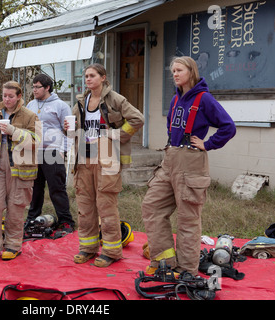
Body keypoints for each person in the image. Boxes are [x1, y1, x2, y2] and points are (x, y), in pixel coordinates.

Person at [141, 56, 236, 276]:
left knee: (187, 219)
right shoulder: (176, 99)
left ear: (191, 72)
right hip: (170, 158)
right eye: (172, 70)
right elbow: (169, 126)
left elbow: (228, 127)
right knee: (152, 206)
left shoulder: (204, 99)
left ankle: (186, 270)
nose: (174, 74)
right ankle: (165, 261)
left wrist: (208, 144)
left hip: (191, 161)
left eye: (179, 70)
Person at [65, 63, 144, 267]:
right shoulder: (82, 101)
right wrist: (69, 127)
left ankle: (111, 251)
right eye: (86, 76)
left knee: (106, 207)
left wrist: (116, 134)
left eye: (92, 75)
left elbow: (137, 118)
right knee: (85, 207)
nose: (88, 79)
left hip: (106, 159)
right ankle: (88, 248)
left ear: (103, 78)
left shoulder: (115, 99)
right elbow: (74, 128)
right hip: (84, 160)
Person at [0, 81, 39, 261]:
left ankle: (13, 245)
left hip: (20, 168)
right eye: (4, 96)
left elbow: (37, 141)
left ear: (19, 96)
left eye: (11, 96)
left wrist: (15, 132)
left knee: (15, 208)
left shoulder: (30, 116)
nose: (7, 99)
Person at [25, 74, 75, 235]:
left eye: (37, 87)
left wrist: (63, 151)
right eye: (33, 87)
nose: (34, 90)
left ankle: (66, 222)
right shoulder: (31, 104)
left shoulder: (61, 106)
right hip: (34, 152)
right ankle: (32, 219)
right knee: (35, 188)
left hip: (53, 152)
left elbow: (70, 130)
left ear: (47, 88)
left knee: (56, 189)